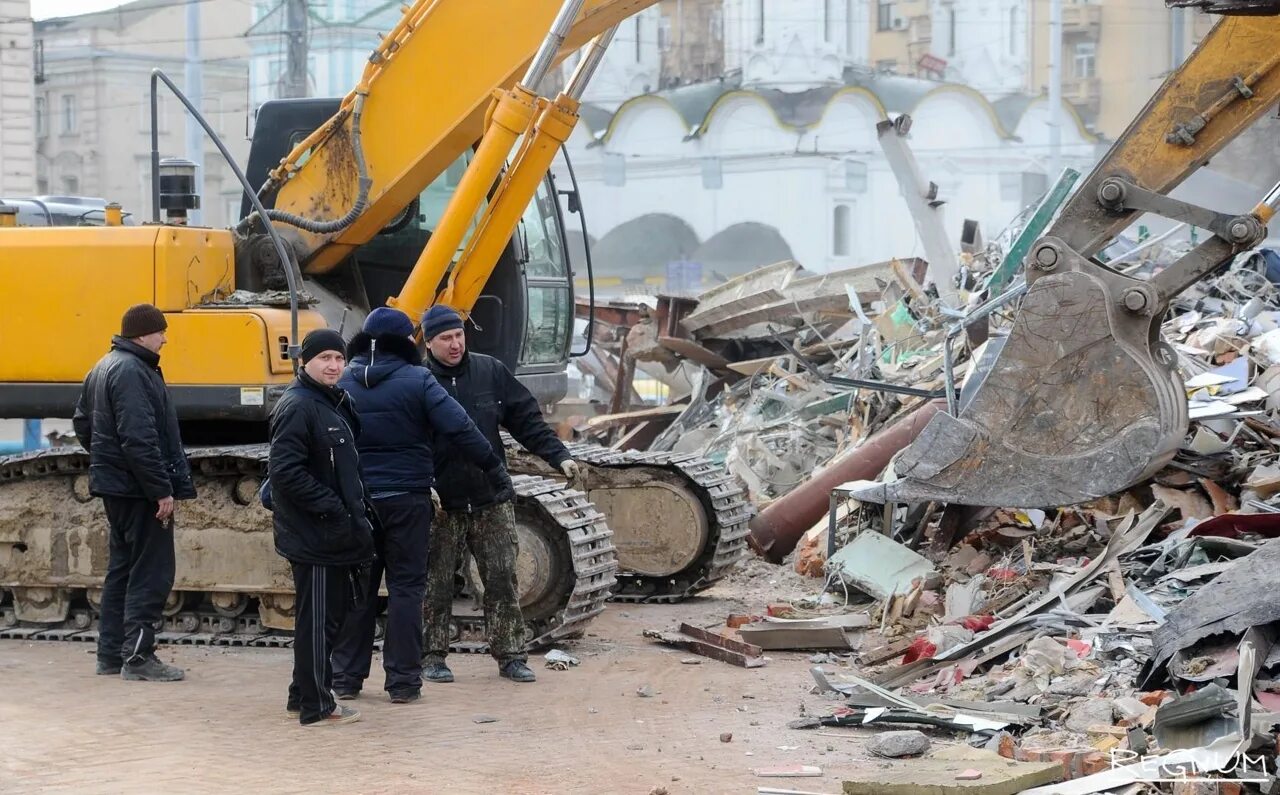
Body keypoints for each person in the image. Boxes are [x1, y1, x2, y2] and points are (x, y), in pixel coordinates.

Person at [330, 307, 513, 704]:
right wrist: (494, 470)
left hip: (359, 504)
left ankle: (345, 678)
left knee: (359, 592)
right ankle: (403, 683)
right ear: (408, 341)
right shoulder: (419, 379)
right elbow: (461, 427)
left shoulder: (342, 382)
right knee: (406, 590)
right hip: (407, 501)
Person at [421, 305, 580, 685]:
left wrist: (560, 457)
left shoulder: (490, 371)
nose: (455, 343)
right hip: (441, 502)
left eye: (459, 334)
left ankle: (510, 655)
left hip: (489, 496)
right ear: (428, 343)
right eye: (445, 338)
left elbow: (527, 420)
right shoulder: (418, 380)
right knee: (435, 582)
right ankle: (431, 656)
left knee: (502, 580)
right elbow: (404, 440)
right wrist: (421, 481)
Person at [73, 303, 195, 683]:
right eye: (161, 332)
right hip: (140, 489)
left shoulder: (102, 366)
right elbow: (140, 439)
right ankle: (139, 658)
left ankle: (110, 654)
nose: (165, 338)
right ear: (143, 334)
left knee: (122, 569)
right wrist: (160, 490)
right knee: (151, 572)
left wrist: (106, 461)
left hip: (117, 487)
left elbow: (82, 423)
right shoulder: (134, 371)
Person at [266, 329, 375, 726]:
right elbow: (284, 472)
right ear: (304, 362)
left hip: (332, 532)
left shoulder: (332, 402)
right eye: (325, 358)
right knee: (316, 622)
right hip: (315, 535)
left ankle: (303, 694)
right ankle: (316, 706)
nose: (333, 366)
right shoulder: (298, 406)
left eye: (339, 359)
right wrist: (333, 509)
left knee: (326, 618)